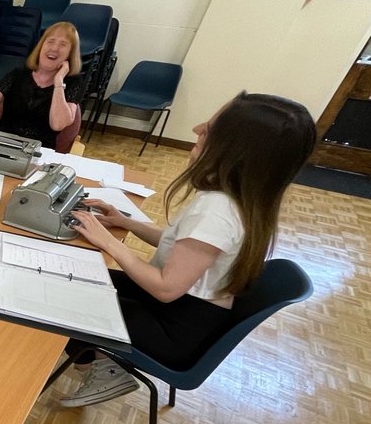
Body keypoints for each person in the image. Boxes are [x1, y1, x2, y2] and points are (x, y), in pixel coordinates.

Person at [56, 92, 316, 407]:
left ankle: (99, 367)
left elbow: (166, 288)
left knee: (64, 298)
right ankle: (92, 357)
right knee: (75, 277)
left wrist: (108, 241)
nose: (196, 129)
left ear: (238, 151)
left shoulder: (217, 210)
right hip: (188, 313)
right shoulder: (242, 200)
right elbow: (183, 249)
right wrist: (126, 222)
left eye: (209, 129)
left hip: (175, 327)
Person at [0, 21, 85, 149]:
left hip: (39, 152)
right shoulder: (18, 74)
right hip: (2, 145)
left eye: (63, 44)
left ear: (70, 54)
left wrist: (58, 82)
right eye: (50, 41)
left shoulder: (73, 83)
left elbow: (57, 124)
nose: (54, 48)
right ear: (41, 46)